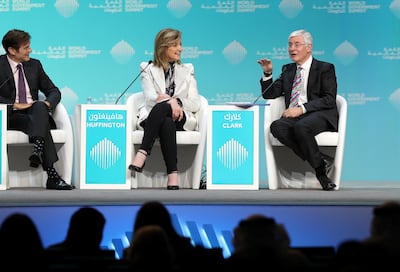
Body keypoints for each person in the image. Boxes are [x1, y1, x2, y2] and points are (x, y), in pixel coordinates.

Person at [258, 29, 338, 191]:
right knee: (277, 126)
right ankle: (320, 159)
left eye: (297, 44)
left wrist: (301, 109)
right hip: (297, 117)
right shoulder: (288, 69)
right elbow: (270, 94)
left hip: (320, 114)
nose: (292, 49)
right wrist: (267, 73)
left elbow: (329, 99)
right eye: (290, 45)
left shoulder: (325, 68)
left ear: (309, 47)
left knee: (302, 127)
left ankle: (321, 174)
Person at [128, 28, 201, 190]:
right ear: (163, 47)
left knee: (167, 112)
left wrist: (176, 102)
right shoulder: (147, 68)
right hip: (154, 117)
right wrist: (170, 102)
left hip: (180, 117)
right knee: (165, 120)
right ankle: (172, 175)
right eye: (175, 45)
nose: (180, 49)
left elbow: (195, 103)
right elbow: (150, 97)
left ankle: (142, 153)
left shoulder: (187, 69)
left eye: (180, 44)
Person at [0, 29, 73, 190]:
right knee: (42, 124)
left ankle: (38, 148)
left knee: (39, 107)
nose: (30, 50)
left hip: (34, 113)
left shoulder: (35, 65)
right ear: (12, 50)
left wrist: (46, 104)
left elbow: (54, 91)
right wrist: (15, 105)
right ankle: (52, 175)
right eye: (26, 47)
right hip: (10, 116)